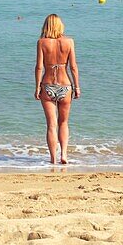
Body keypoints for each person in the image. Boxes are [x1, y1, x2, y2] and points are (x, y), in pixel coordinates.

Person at [34, 13, 80, 164]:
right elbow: (73, 67)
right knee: (64, 123)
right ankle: (64, 155)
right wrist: (77, 86)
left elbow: (39, 67)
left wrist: (37, 87)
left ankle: (53, 158)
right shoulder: (69, 42)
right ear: (60, 25)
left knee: (51, 124)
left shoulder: (42, 42)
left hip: (47, 86)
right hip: (65, 86)